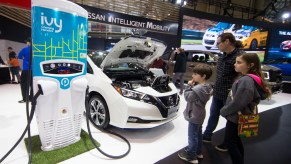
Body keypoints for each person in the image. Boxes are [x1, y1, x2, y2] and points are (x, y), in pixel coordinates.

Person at [220, 53, 271, 164]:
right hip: (238, 115)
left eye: (239, 62)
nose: (235, 65)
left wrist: (224, 111)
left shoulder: (246, 81)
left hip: (236, 116)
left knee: (230, 142)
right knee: (236, 141)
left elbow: (238, 103)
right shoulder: (247, 79)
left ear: (250, 65)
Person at [202, 33, 245, 152]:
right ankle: (207, 135)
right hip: (218, 93)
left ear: (227, 42)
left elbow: (242, 77)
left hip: (230, 95)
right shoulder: (223, 56)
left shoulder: (240, 57)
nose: (217, 45)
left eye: (218, 43)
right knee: (213, 115)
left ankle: (227, 143)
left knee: (231, 120)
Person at [178, 64, 213, 164]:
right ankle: (198, 152)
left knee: (192, 136)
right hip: (200, 114)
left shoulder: (197, 89)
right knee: (198, 134)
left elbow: (187, 97)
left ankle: (191, 156)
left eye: (195, 74)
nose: (193, 76)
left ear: (204, 76)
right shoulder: (207, 86)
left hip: (194, 114)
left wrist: (189, 86)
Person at [18, 37, 32, 103]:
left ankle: (25, 98)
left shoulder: (25, 49)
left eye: (27, 42)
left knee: (24, 84)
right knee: (32, 84)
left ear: (29, 42)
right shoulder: (36, 49)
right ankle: (32, 98)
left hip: (26, 69)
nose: (26, 43)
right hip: (34, 70)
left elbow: (19, 56)